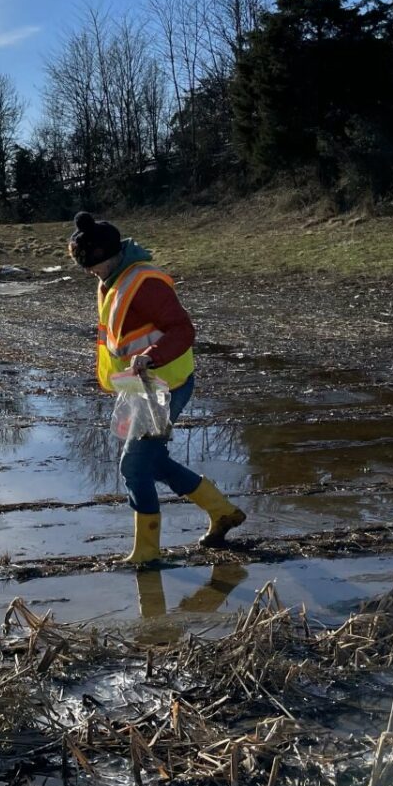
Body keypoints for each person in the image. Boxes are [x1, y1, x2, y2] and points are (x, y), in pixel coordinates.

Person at [68, 211, 246, 565]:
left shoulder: (144, 282)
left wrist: (152, 355)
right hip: (142, 387)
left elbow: (182, 329)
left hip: (168, 384)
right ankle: (222, 512)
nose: (90, 271)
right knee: (154, 461)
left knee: (134, 466)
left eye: (93, 263)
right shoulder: (111, 281)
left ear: (111, 253)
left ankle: (147, 553)